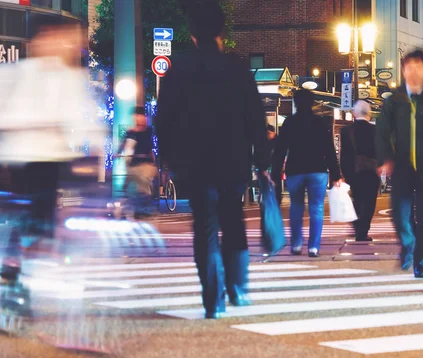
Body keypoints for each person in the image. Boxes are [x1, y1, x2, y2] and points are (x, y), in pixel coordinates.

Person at [156, 2, 270, 319]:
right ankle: (236, 285)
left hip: (195, 164)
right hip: (232, 162)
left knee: (204, 228)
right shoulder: (235, 68)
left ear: (192, 34)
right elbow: (255, 118)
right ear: (220, 31)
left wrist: (169, 160)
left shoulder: (178, 67)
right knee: (233, 221)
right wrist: (261, 159)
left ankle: (212, 299)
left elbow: (163, 119)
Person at [0, 17, 105, 304]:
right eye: (63, 38)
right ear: (41, 40)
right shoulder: (14, 74)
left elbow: (84, 116)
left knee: (40, 221)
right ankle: (12, 272)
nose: (69, 46)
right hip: (19, 158)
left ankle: (15, 275)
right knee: (31, 219)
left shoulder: (68, 77)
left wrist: (96, 147)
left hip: (50, 159)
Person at [376, 50, 423, 279]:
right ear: (402, 71)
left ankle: (420, 264)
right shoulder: (394, 101)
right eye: (408, 65)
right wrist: (385, 159)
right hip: (401, 167)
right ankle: (408, 245)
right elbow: (382, 131)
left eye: (418, 65)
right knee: (400, 216)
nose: (412, 69)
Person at [271, 89, 342, 258]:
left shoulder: (289, 123)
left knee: (296, 207)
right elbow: (329, 150)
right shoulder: (320, 122)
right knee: (316, 208)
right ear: (313, 103)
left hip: (295, 169)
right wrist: (336, 174)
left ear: (295, 103)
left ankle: (296, 244)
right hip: (318, 170)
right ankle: (313, 247)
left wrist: (275, 172)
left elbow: (281, 150)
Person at [340, 101, 379, 242]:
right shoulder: (375, 130)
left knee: (356, 199)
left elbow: (344, 154)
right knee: (369, 202)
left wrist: (343, 173)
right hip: (371, 170)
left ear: (354, 114)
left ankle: (356, 224)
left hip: (353, 171)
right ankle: (362, 231)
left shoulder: (346, 130)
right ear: (369, 114)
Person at [117, 107, 158, 219]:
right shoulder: (130, 132)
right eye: (136, 117)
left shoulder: (147, 131)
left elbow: (148, 146)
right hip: (133, 164)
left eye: (140, 117)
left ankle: (144, 208)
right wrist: (119, 154)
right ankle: (130, 208)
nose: (138, 120)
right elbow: (124, 146)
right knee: (127, 186)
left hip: (145, 164)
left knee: (142, 183)